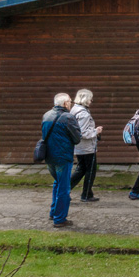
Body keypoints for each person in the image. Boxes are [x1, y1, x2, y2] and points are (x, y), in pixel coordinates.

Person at [41, 92, 82, 227]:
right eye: (70, 101)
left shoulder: (46, 115)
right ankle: (60, 219)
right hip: (63, 156)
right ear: (65, 103)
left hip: (49, 156)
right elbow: (77, 138)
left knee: (57, 183)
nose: (71, 104)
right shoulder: (68, 117)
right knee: (64, 188)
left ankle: (53, 212)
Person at [70, 89, 103, 202]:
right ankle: (86, 194)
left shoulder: (74, 109)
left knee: (81, 169)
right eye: (90, 98)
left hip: (79, 146)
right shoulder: (83, 113)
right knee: (90, 170)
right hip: (86, 147)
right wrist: (96, 131)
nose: (91, 100)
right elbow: (83, 133)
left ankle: (65, 190)